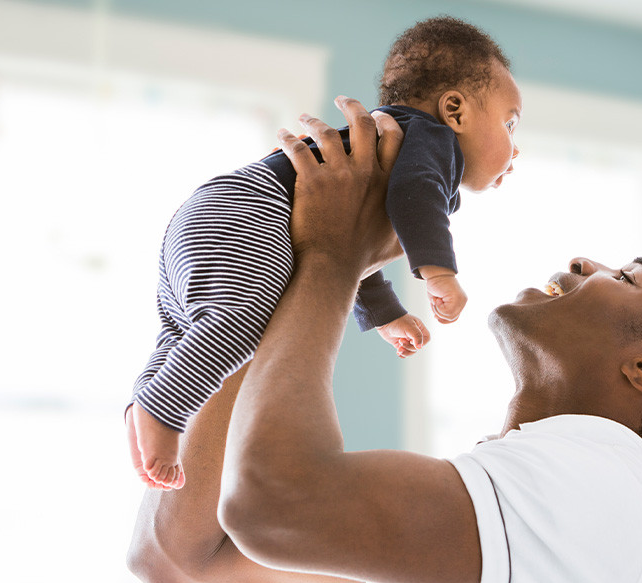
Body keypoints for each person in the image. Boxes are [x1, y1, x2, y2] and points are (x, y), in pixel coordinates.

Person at [125, 97, 642, 583]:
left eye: (629, 277)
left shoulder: (593, 487)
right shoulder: (499, 525)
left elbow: (277, 505)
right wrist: (265, 280)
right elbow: (181, 564)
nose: (585, 262)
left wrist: (333, 255)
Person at [126, 16, 523, 490]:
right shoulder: (433, 144)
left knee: (183, 326)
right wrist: (439, 274)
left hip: (216, 209)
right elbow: (416, 196)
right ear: (455, 111)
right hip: (254, 207)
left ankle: (142, 403)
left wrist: (386, 314)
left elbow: (358, 240)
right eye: (510, 124)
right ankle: (162, 412)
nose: (515, 150)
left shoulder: (393, 142)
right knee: (240, 321)